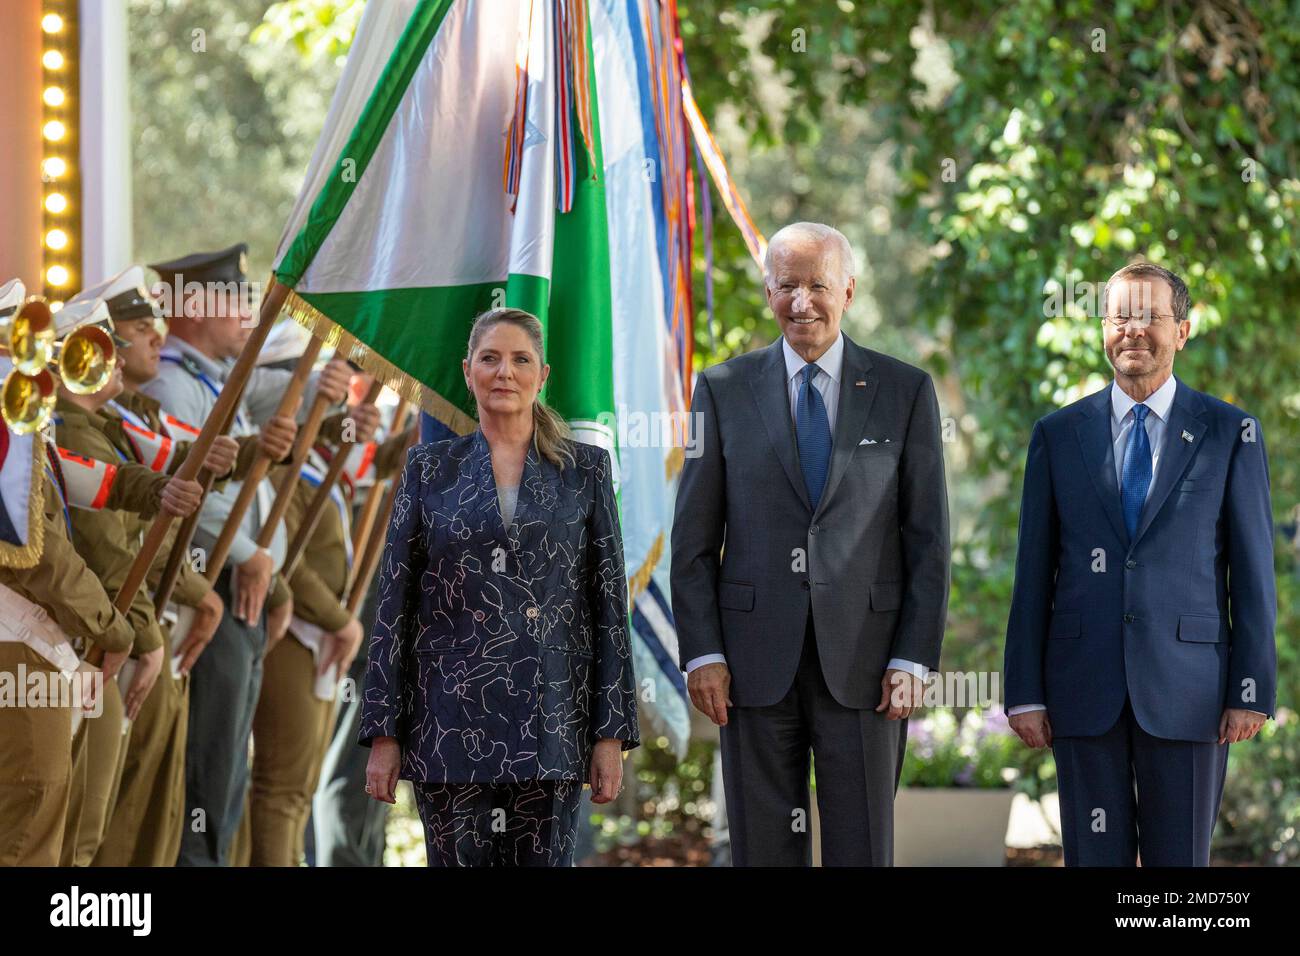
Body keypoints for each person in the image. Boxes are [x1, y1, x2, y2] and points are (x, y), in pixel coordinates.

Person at [670, 222, 950, 866]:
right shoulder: (722, 389)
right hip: (749, 668)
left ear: (847, 291)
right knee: (764, 851)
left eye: (817, 285)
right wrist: (702, 653)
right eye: (786, 286)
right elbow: (692, 541)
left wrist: (913, 658)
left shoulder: (906, 392)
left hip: (869, 666)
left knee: (862, 848)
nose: (802, 302)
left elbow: (928, 541)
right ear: (768, 291)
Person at [1004, 262, 1276, 866]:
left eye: (1151, 315)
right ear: (1103, 328)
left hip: (1191, 693)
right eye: (1120, 315)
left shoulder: (1231, 433)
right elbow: (1033, 573)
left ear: (1181, 330)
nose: (1134, 329)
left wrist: (1252, 687)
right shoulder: (1057, 435)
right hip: (1082, 689)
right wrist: (1023, 690)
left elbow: (1253, 574)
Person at [360, 308, 639, 867]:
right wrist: (383, 734)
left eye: (519, 360)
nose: (503, 372)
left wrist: (610, 735)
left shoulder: (586, 471)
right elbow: (394, 605)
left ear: (544, 374)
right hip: (449, 728)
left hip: (553, 725)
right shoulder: (427, 469)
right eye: (490, 358)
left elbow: (609, 606)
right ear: (468, 372)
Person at [141, 242, 351, 865]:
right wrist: (251, 554)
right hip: (210, 581)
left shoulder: (220, 377)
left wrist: (326, 384)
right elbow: (190, 500)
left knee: (230, 760)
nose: (249, 318)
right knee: (208, 758)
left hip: (243, 586)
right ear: (196, 306)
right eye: (236, 303)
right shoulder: (171, 386)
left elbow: (285, 388)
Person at [0, 281, 135, 867]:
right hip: (18, 648)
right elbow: (44, 552)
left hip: (24, 646)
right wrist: (114, 628)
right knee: (32, 834)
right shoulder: (13, 431)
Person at [247, 375, 406, 867]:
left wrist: (417, 427)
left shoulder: (320, 458)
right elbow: (291, 560)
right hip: (301, 634)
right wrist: (344, 621)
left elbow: (379, 463)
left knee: (296, 786)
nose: (337, 414)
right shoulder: (287, 466)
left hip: (328, 635)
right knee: (284, 785)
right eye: (321, 406)